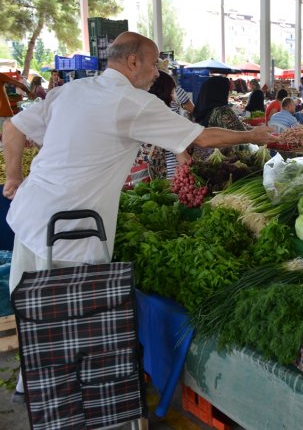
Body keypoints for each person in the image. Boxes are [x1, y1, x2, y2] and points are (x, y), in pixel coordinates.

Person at [2, 32, 276, 403]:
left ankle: (32, 390)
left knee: (36, 319)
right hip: (72, 233)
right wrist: (256, 135)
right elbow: (203, 138)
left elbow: (14, 127)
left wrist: (14, 176)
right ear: (133, 62)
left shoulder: (73, 90)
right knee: (76, 326)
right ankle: (72, 404)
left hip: (30, 219)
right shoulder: (131, 101)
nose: (156, 72)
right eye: (153, 63)